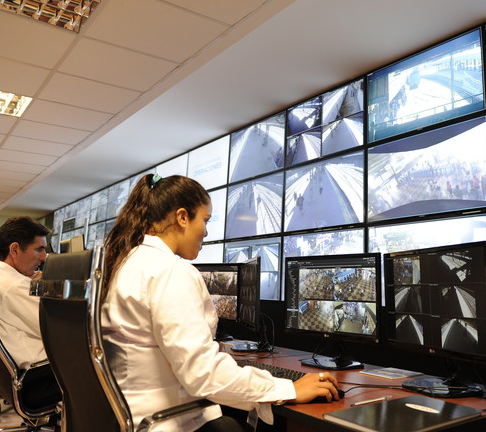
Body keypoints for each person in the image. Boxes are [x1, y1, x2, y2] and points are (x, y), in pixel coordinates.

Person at [101, 174, 340, 432]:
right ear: (182, 217)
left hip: (132, 416)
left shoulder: (127, 263)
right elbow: (203, 375)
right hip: (168, 421)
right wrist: (287, 388)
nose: (206, 231)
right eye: (205, 220)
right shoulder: (170, 272)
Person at [0, 216, 61, 407]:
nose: (44, 257)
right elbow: (58, 330)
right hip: (38, 379)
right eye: (39, 249)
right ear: (14, 250)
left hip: (13, 376)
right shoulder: (14, 286)